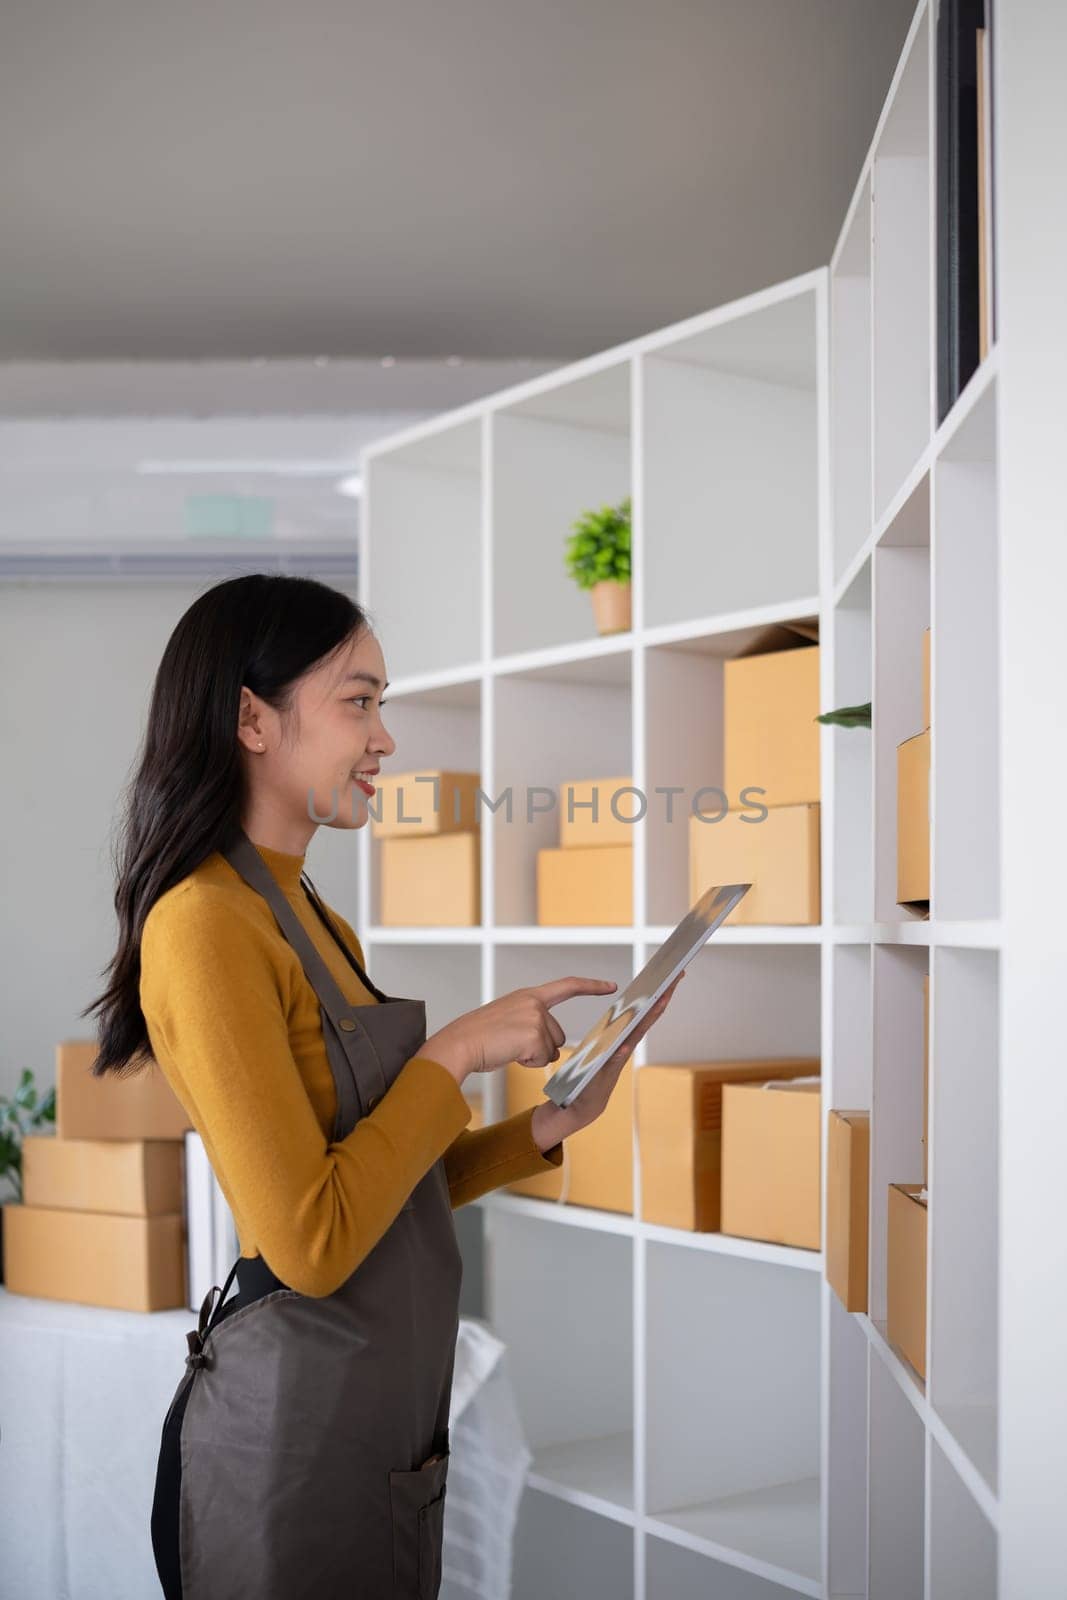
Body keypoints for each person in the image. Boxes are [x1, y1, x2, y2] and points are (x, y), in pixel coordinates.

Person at [82, 573, 683, 1600]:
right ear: (250, 719)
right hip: (290, 1453)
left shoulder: (304, 912)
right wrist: (449, 1054)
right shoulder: (204, 923)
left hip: (372, 1428)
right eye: (359, 701)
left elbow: (381, 1188)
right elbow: (313, 1242)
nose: (384, 737)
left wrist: (545, 1122)